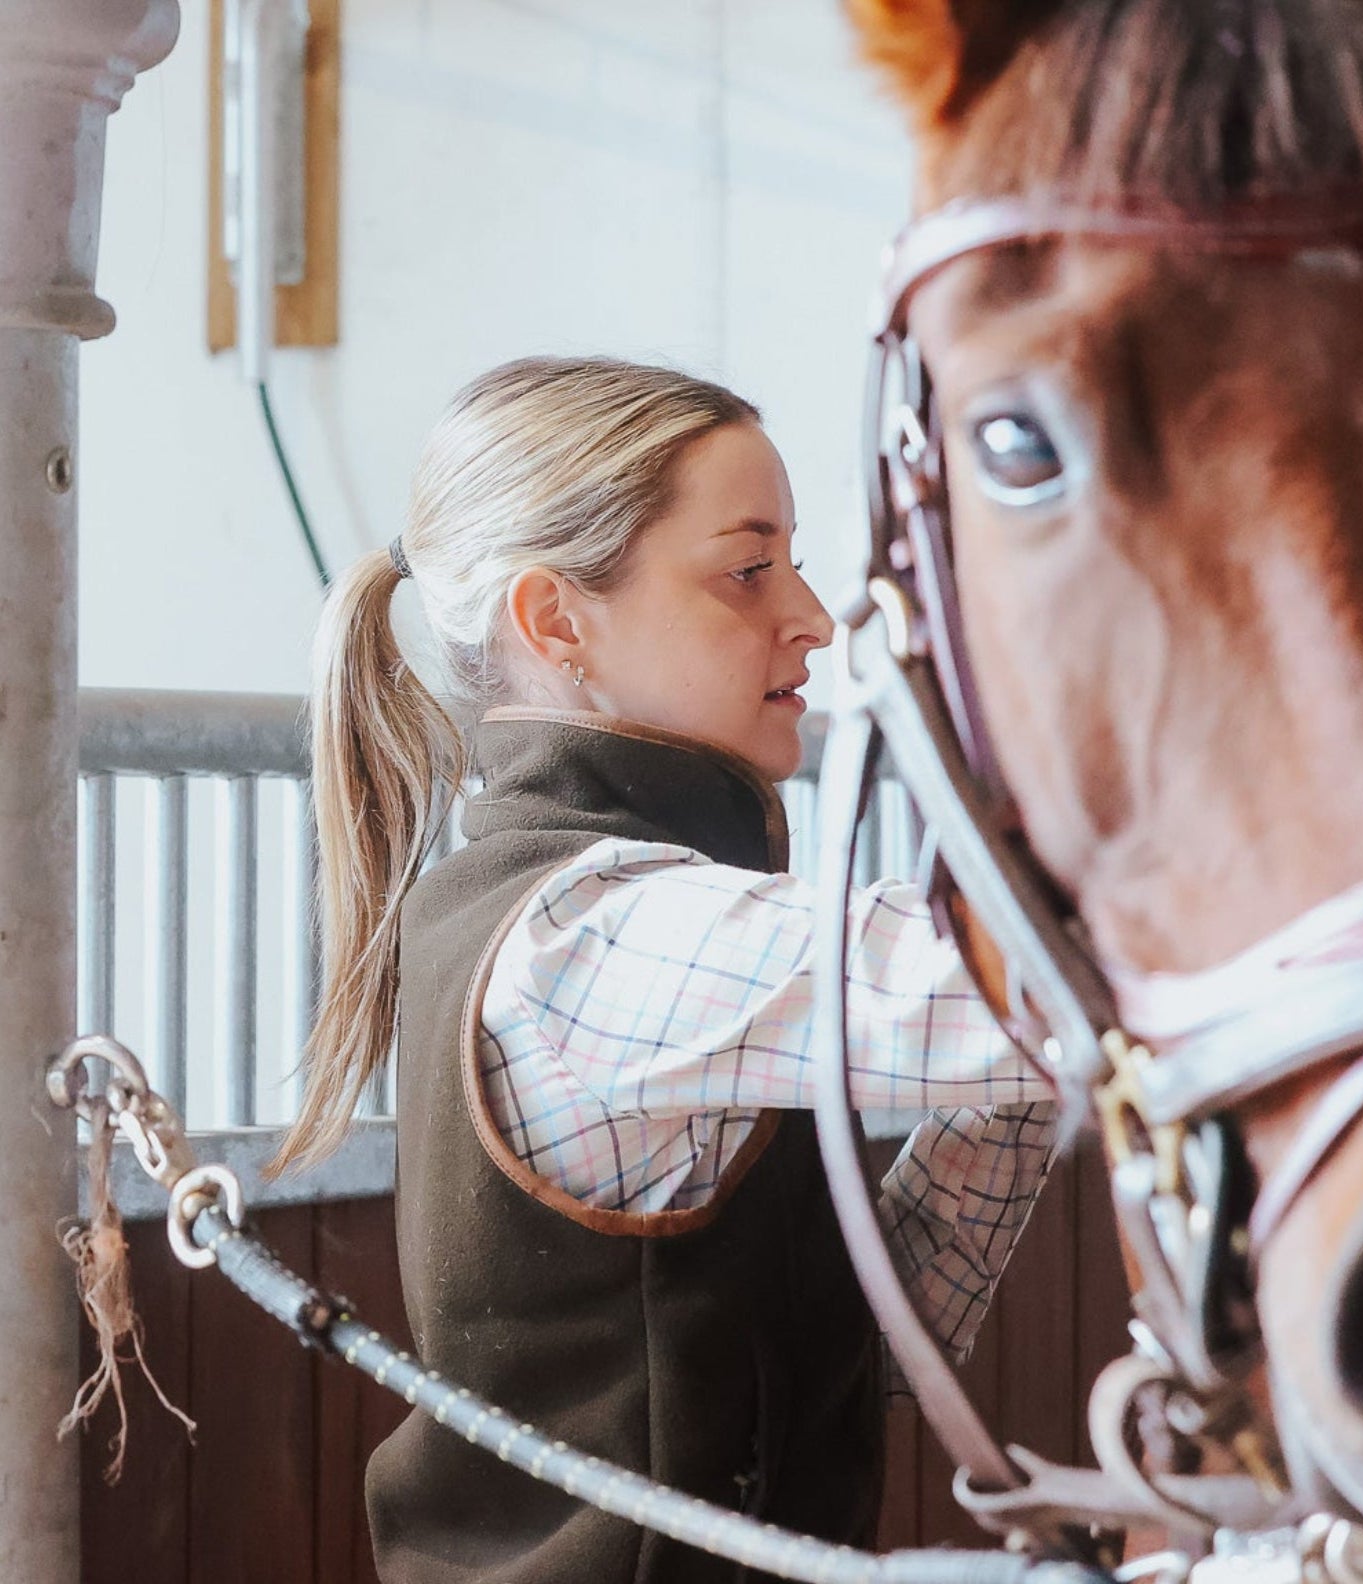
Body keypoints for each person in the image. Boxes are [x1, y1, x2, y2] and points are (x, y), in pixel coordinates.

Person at [274, 356, 1061, 1584]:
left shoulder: (631, 905)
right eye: (749, 570)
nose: (810, 614)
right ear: (556, 622)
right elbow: (1034, 986)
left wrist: (1021, 1081)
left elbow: (859, 1350)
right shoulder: (593, 936)